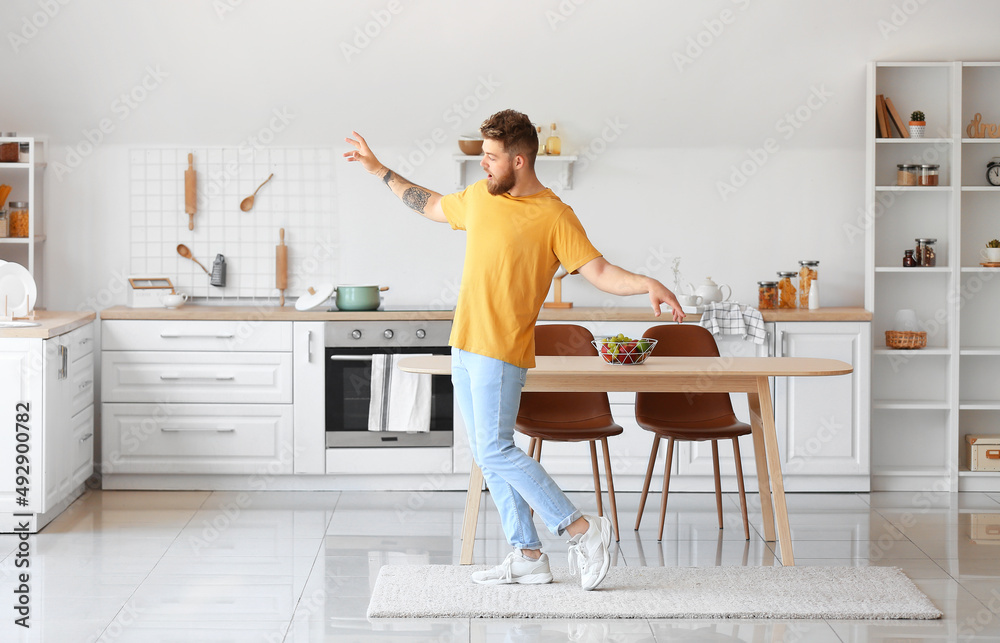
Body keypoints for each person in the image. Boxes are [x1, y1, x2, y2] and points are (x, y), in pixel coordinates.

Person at [345, 109, 685, 591]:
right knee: (489, 454)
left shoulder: (554, 215)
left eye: (491, 157)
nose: (483, 164)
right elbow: (429, 204)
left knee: (495, 449)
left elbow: (601, 272)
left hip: (501, 350)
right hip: (463, 344)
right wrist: (379, 169)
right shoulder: (481, 198)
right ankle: (526, 554)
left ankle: (583, 530)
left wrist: (647, 283)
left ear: (520, 160)